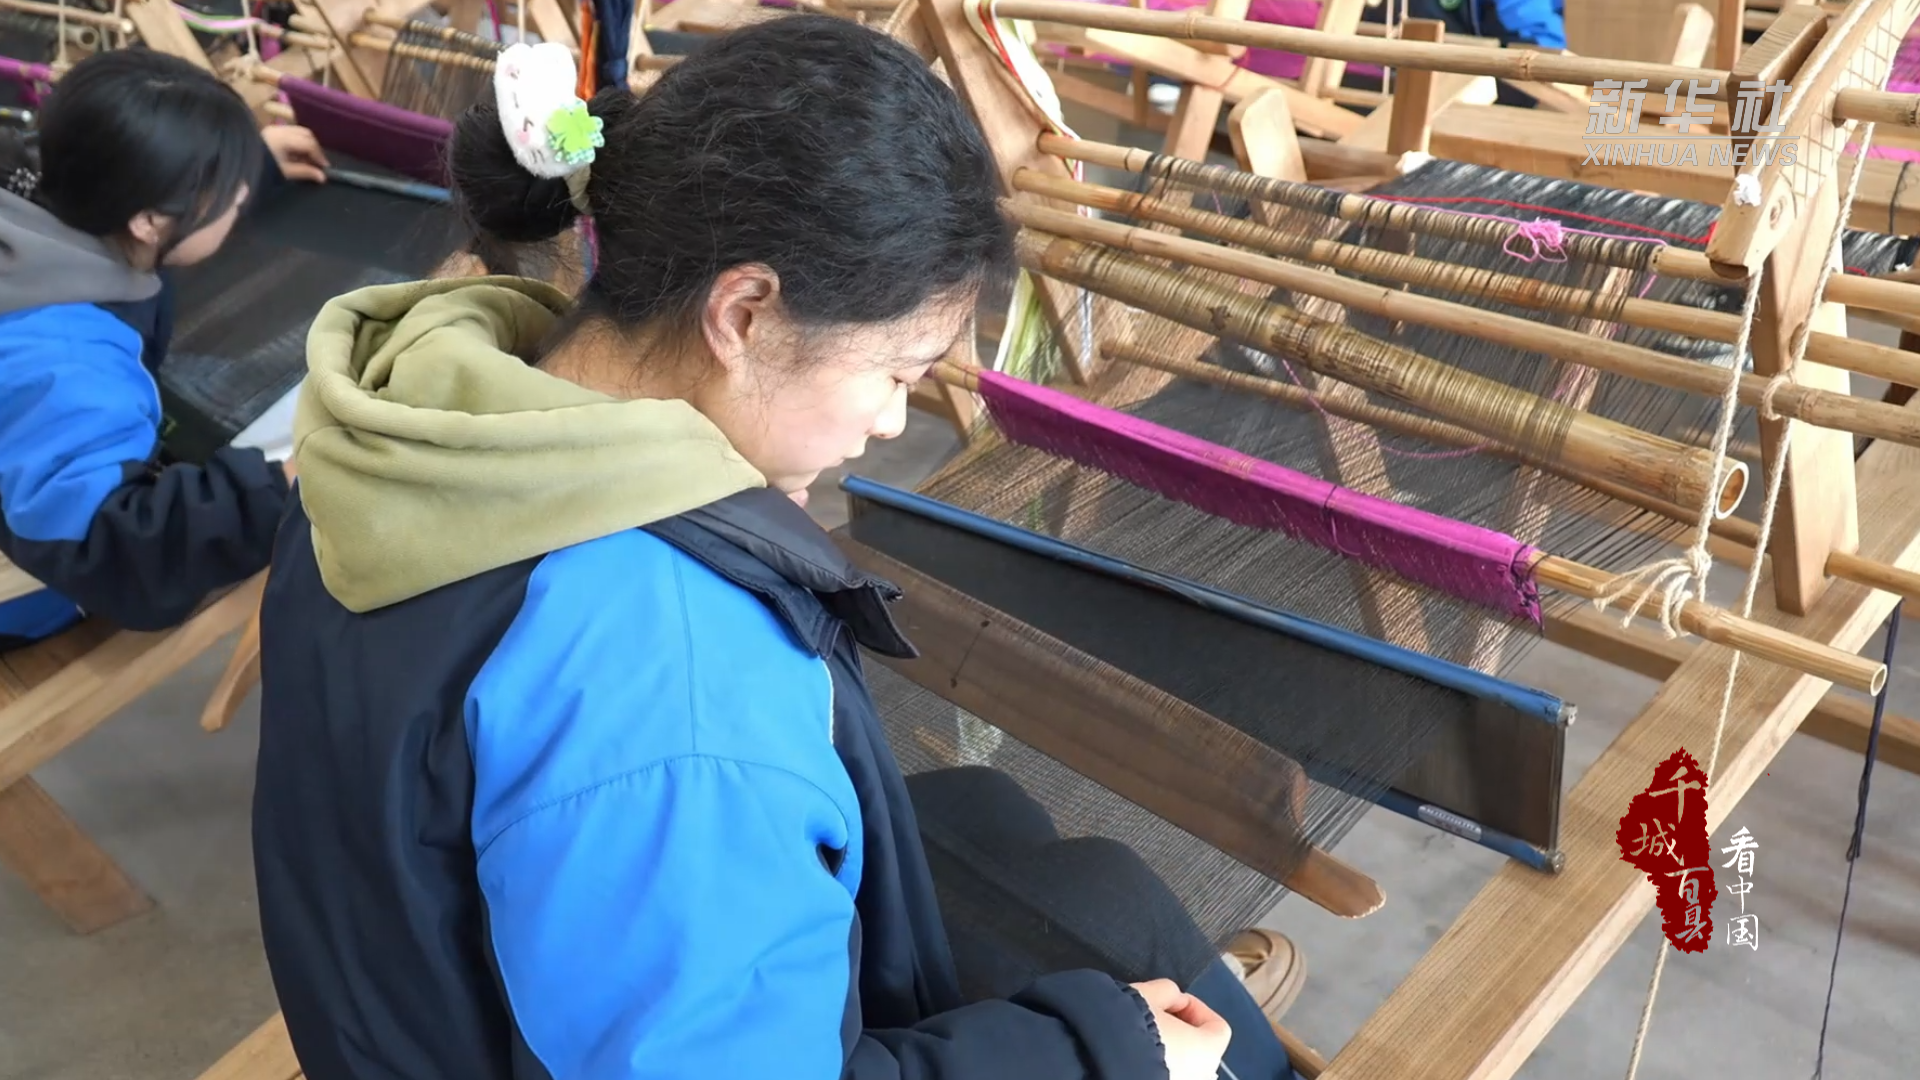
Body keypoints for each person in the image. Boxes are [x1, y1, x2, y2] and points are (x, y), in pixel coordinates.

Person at [251, 17, 1304, 1080]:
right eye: (897, 372)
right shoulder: (672, 676)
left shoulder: (418, 424)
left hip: (404, 1001)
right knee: (1157, 1008)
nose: (891, 422)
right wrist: (1103, 1053)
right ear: (745, 312)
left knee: (1040, 852)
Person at [0, 48, 331, 650]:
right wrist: (276, 490)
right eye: (229, 195)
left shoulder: (32, 184)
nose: (240, 197)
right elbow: (119, 559)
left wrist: (247, 163)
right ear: (149, 221)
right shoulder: (66, 367)